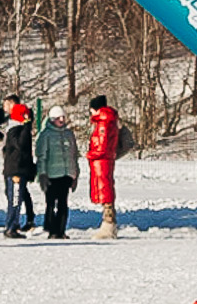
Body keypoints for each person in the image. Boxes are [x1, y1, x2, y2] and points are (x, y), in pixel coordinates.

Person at [83, 97, 129, 235]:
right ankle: (108, 223)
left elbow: (102, 146)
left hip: (101, 162)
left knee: (105, 189)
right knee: (106, 188)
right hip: (104, 161)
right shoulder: (109, 121)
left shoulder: (103, 123)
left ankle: (108, 224)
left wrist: (90, 154)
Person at [0, 99, 38, 238]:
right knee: (15, 199)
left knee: (18, 197)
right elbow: (21, 145)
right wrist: (26, 127)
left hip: (19, 169)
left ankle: (14, 225)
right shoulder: (15, 130)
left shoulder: (16, 129)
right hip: (15, 170)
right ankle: (11, 226)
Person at [35, 109, 78, 236]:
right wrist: (42, 174)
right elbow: (41, 156)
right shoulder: (46, 135)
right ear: (52, 119)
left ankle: (61, 230)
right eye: (58, 118)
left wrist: (75, 174)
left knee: (63, 203)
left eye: (63, 117)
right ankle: (51, 229)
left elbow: (74, 155)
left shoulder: (69, 134)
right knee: (50, 203)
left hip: (66, 174)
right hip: (51, 175)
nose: (62, 120)